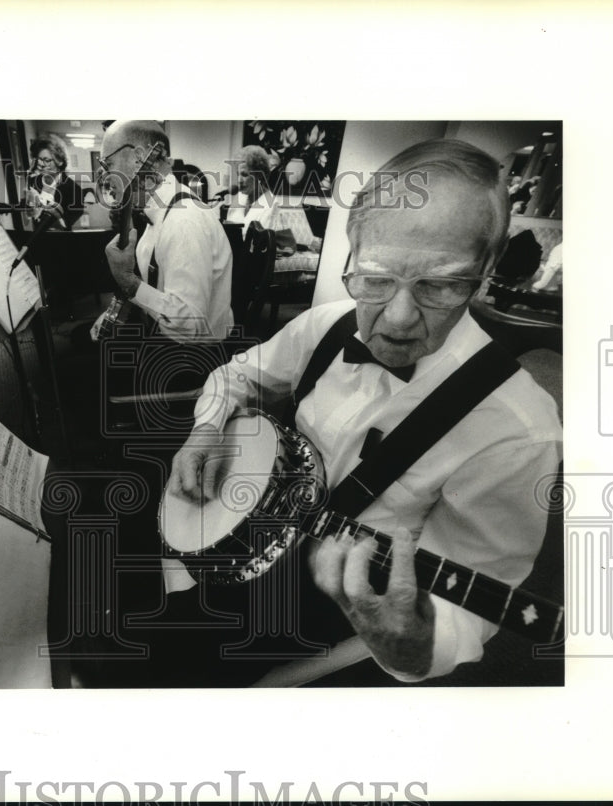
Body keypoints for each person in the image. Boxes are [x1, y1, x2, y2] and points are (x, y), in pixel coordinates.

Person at [162, 138, 562, 685]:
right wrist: (204, 431)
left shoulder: (519, 431)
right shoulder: (325, 324)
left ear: (487, 268)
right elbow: (235, 376)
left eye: (440, 284)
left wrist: (417, 641)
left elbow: (474, 602)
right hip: (239, 525)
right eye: (374, 279)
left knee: (171, 665)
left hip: (325, 611)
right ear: (351, 251)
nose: (396, 319)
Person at [94, 119, 233, 343]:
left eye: (107, 165)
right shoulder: (160, 208)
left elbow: (190, 326)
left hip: (190, 360)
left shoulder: (183, 220)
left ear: (139, 158)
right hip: (167, 340)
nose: (103, 178)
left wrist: (128, 282)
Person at [24, 135, 86, 230]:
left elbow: (68, 222)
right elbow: (28, 217)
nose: (41, 164)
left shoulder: (73, 188)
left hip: (61, 239)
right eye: (39, 159)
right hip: (36, 237)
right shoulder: (32, 181)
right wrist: (29, 209)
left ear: (60, 161)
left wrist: (57, 216)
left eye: (47, 160)